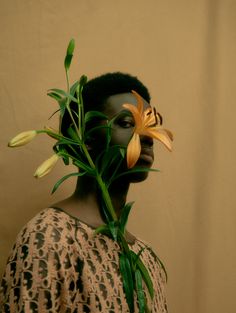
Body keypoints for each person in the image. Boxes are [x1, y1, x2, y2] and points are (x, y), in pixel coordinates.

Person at [0, 72, 169, 312]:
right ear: (83, 138)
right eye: (127, 123)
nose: (149, 137)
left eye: (151, 126)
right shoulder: (49, 238)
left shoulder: (145, 255)